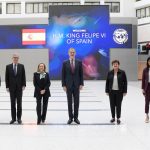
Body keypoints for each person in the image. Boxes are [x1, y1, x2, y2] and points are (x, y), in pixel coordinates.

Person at [62, 48, 84, 124]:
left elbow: (81, 74)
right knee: (69, 102)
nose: (72, 53)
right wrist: (63, 85)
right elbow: (63, 75)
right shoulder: (65, 63)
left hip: (77, 85)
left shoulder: (79, 62)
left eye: (73, 52)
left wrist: (81, 84)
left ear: (75, 53)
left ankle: (76, 118)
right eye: (71, 52)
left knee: (76, 102)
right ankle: (70, 118)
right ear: (68, 53)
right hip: (68, 86)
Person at [5, 54, 26, 124]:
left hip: (19, 88)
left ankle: (19, 118)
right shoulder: (8, 66)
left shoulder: (21, 66)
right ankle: (13, 118)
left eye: (16, 58)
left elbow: (23, 76)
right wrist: (7, 86)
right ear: (12, 58)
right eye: (14, 58)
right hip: (11, 88)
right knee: (12, 104)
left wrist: (24, 85)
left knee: (19, 104)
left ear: (18, 59)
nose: (15, 59)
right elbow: (6, 77)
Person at [105, 60, 127, 124]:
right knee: (112, 105)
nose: (115, 65)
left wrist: (125, 91)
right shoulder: (110, 73)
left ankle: (118, 118)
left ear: (118, 65)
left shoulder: (122, 72)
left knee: (118, 105)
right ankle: (113, 117)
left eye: (116, 64)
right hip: (111, 92)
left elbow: (125, 82)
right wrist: (107, 91)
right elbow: (107, 82)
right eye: (114, 64)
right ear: (112, 65)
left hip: (119, 92)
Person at [142, 57, 150, 123]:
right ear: (147, 62)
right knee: (147, 102)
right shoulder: (145, 70)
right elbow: (143, 80)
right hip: (147, 88)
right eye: (149, 61)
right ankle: (147, 116)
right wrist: (143, 89)